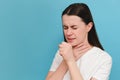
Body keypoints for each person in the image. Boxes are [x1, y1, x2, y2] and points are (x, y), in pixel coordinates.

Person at [46, 3, 112, 80]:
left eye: (74, 28)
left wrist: (70, 60)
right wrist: (65, 62)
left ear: (89, 26)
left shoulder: (103, 59)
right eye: (65, 27)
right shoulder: (62, 52)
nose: (68, 33)